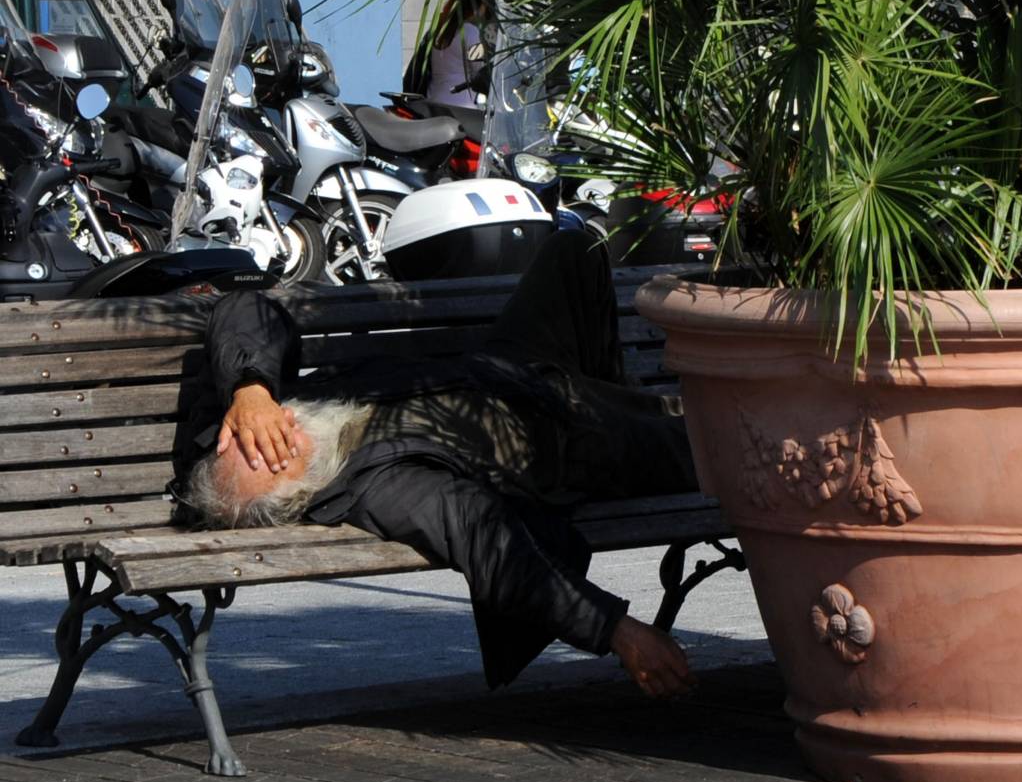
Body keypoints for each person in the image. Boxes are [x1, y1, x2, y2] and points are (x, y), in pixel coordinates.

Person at [172, 231, 699, 699]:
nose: (275, 431)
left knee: (576, 245)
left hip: (511, 363)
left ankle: (619, 395)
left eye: (251, 436)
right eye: (276, 451)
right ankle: (631, 410)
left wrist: (250, 389)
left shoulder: (258, 410)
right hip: (568, 438)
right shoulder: (383, 490)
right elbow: (487, 542)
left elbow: (246, 307)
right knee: (719, 442)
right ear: (300, 489)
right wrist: (617, 630)